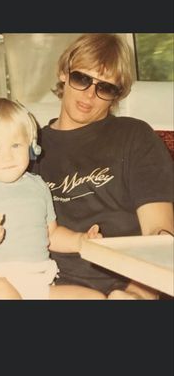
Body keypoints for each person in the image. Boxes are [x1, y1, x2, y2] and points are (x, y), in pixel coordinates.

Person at [31, 33, 174, 300]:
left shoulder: (135, 137)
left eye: (105, 87)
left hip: (126, 284)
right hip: (47, 284)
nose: (90, 94)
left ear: (116, 94)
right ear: (63, 73)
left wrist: (137, 292)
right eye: (82, 78)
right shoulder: (26, 147)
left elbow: (159, 232)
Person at [0, 97, 106, 300]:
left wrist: (80, 241)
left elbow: (51, 235)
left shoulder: (38, 186)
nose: (7, 156)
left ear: (31, 146)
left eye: (16, 145)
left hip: (38, 285)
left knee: (94, 298)